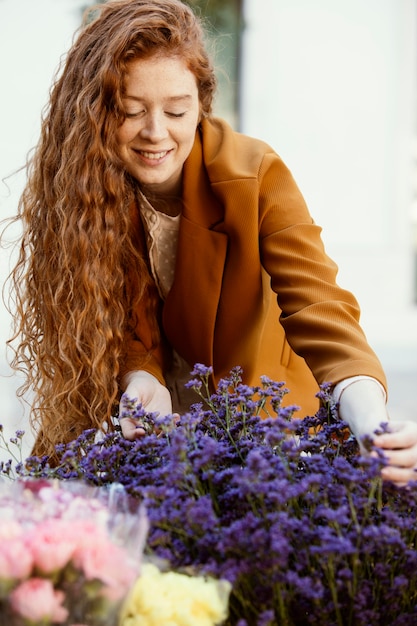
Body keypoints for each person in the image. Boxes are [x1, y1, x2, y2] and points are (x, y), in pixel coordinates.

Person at [6, 0, 417, 484]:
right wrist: (140, 382)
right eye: (131, 111)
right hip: (157, 440)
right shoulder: (85, 191)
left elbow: (321, 308)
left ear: (201, 104)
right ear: (96, 114)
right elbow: (118, 326)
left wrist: (371, 418)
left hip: (269, 425)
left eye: (177, 110)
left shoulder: (254, 173)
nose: (156, 133)